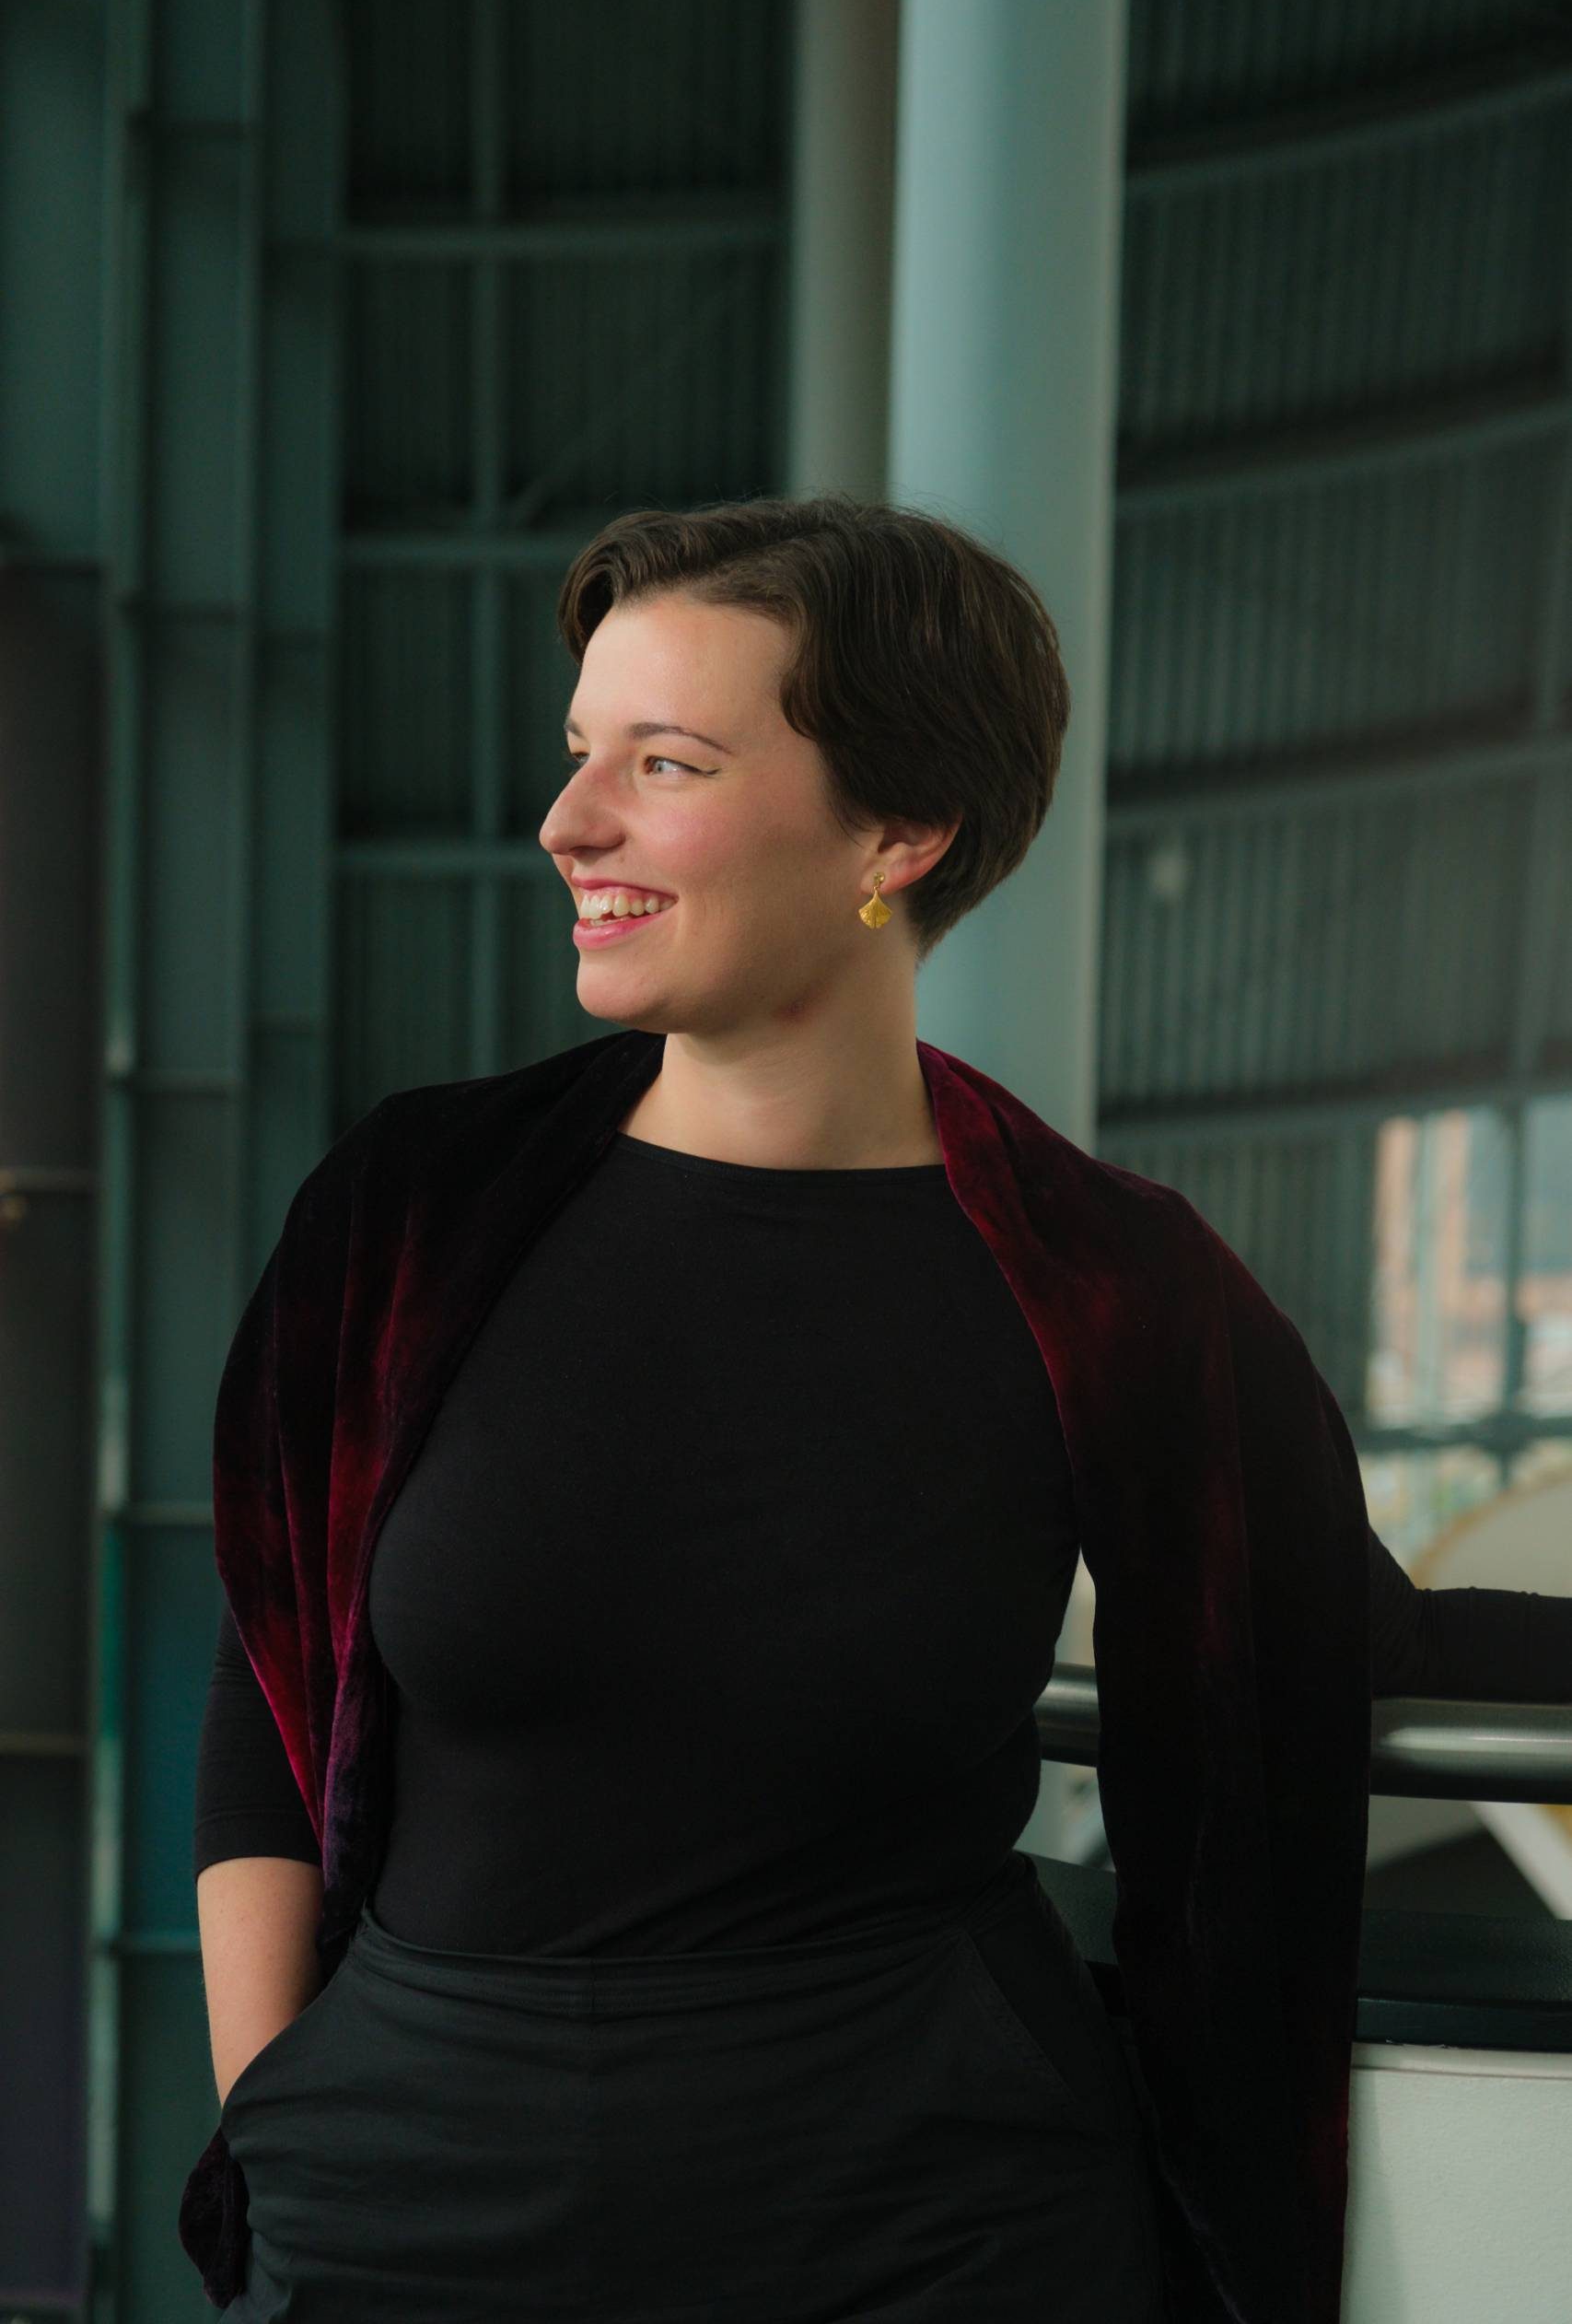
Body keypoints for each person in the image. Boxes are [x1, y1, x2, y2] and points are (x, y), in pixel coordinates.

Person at [183, 494, 1572, 2323]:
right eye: (577, 750)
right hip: (402, 2200)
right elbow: (266, 1701)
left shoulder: (1106, 1278)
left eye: (661, 761)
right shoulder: (415, 1207)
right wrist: (280, 2114)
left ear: (897, 832)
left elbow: (1335, 1635)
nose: (566, 823)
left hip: (923, 2219)